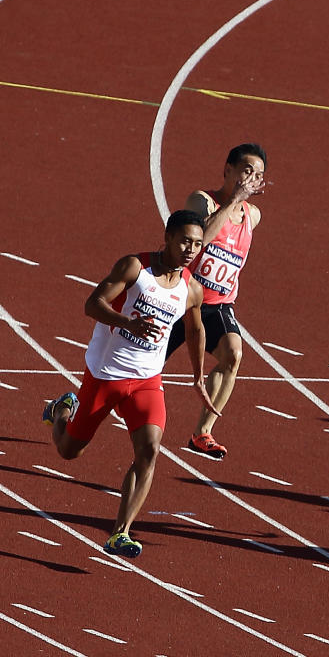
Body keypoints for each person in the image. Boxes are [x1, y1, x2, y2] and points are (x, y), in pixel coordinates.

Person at [41, 210, 219, 557]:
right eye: (184, 240)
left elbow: (196, 330)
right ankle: (63, 408)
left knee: (149, 450)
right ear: (167, 237)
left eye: (197, 244)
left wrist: (197, 377)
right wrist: (127, 323)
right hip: (106, 375)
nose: (190, 249)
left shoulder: (190, 289)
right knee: (68, 451)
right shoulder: (135, 269)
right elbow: (92, 305)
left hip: (147, 380)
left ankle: (119, 533)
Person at [165, 143, 266, 460]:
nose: (251, 179)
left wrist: (240, 205)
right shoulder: (202, 200)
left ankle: (202, 433)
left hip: (217, 305)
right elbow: (200, 240)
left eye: (259, 175)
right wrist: (233, 200)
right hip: (180, 296)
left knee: (233, 355)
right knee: (140, 367)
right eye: (247, 170)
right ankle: (76, 405)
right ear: (228, 170)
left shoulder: (254, 216)